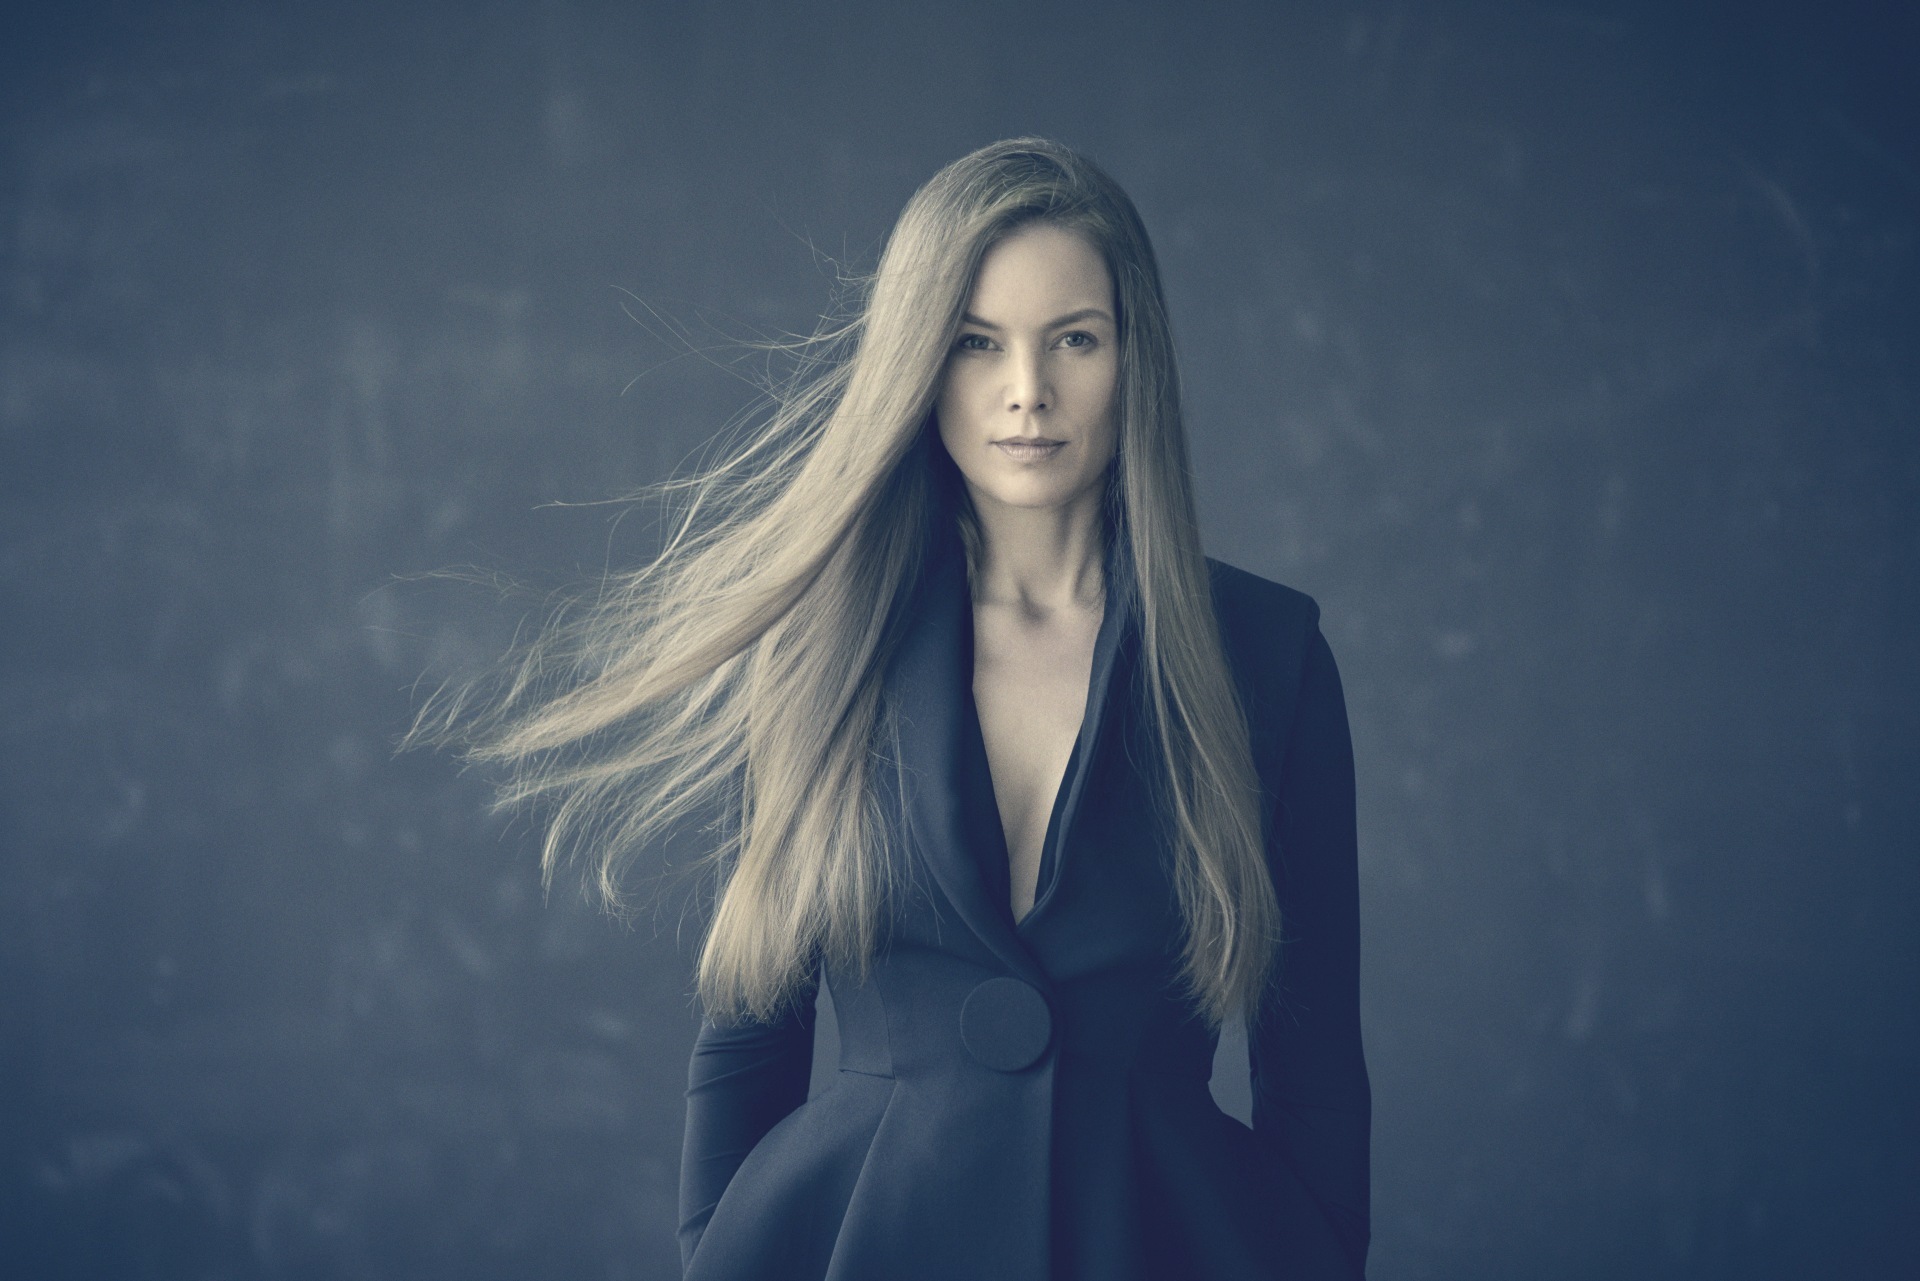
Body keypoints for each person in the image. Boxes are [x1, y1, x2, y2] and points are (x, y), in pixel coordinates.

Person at [446, 137, 1369, 1280]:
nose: (1026, 389)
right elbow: (747, 1039)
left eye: (1073, 338)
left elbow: (1318, 1072)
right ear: (918, 362)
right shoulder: (815, 652)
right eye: (977, 343)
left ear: (1137, 359)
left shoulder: (1269, 658)